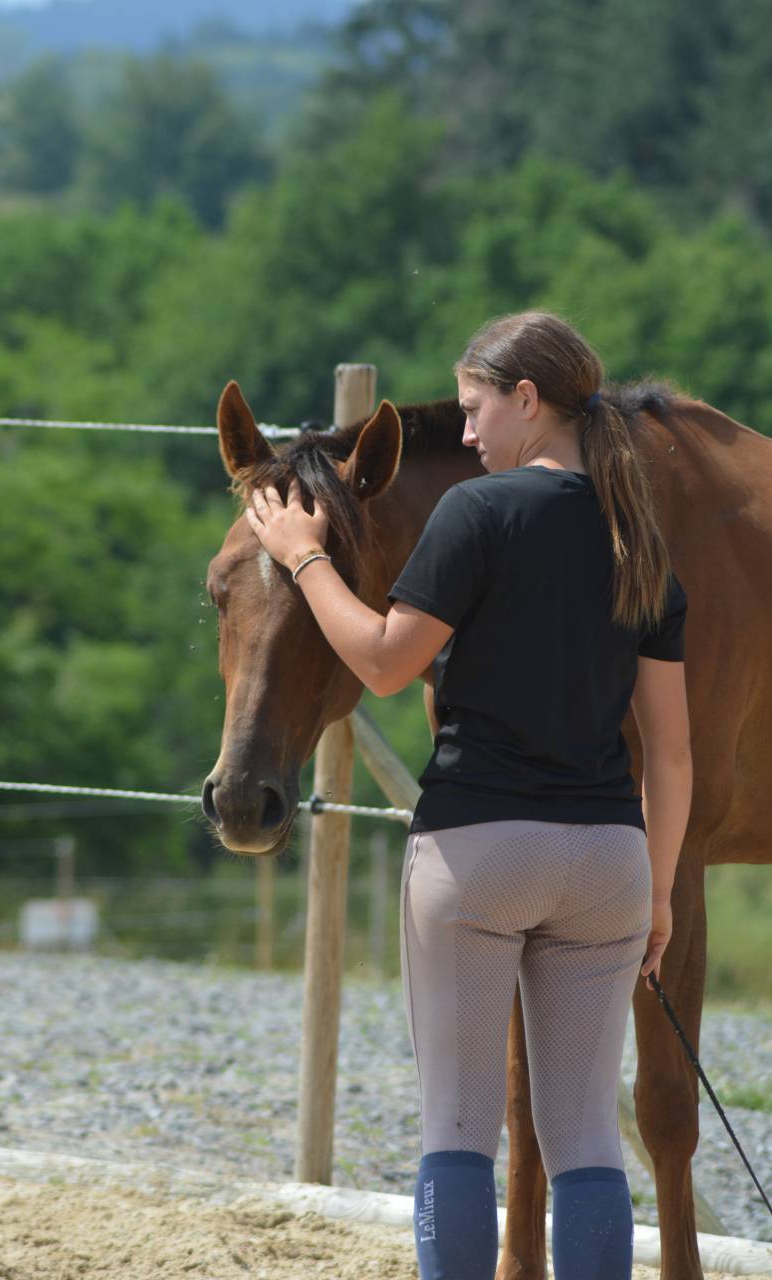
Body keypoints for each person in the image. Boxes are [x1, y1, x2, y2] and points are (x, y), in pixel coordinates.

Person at [245, 310, 692, 1280]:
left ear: (526, 400)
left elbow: (382, 664)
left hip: (478, 848)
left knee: (457, 1127)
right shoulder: (639, 538)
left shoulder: (475, 512)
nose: (467, 430)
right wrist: (656, 893)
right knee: (586, 1134)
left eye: (475, 407)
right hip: (608, 861)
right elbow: (669, 753)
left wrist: (304, 556)